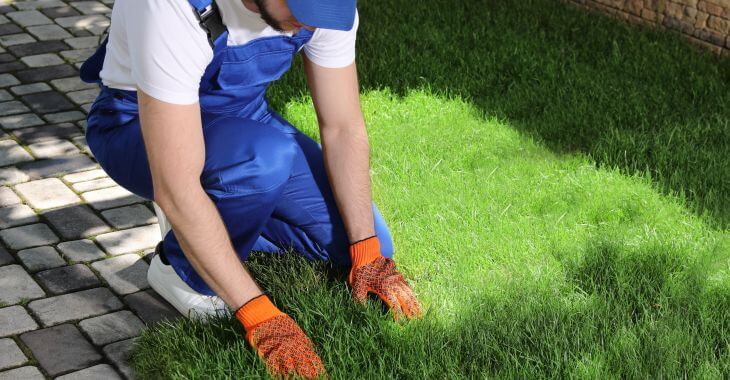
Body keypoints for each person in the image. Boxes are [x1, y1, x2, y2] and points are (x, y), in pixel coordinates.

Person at [79, 0, 422, 377]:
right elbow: (175, 185)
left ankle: (218, 215)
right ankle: (178, 268)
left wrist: (367, 252)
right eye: (299, 12)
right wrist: (258, 313)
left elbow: (342, 127)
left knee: (363, 241)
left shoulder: (325, 8)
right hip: (136, 123)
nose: (306, 26)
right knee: (264, 160)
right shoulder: (170, 6)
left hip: (244, 119)